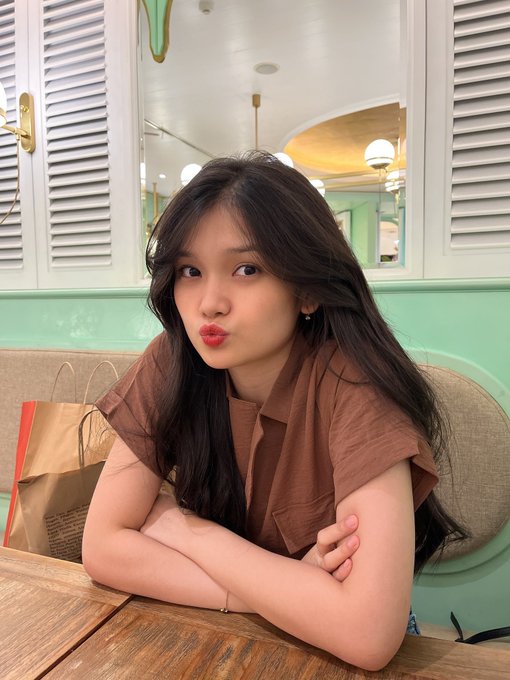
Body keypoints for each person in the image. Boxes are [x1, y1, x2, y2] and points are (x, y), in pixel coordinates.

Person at [82, 151, 465, 671]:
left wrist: (183, 530)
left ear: (306, 290)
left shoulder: (354, 385)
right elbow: (102, 548)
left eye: (247, 269)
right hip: (216, 631)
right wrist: (285, 589)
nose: (209, 303)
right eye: (190, 270)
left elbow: (368, 633)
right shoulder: (171, 362)